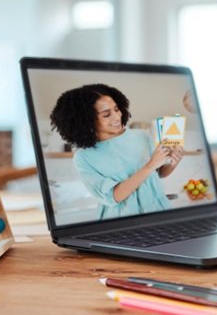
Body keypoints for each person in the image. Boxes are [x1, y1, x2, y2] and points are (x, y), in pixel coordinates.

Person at [49, 83, 182, 219]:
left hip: (159, 211)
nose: (117, 117)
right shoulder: (84, 157)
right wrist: (150, 165)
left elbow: (158, 174)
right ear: (86, 121)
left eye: (116, 109)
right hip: (122, 221)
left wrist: (172, 163)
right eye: (106, 115)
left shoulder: (141, 136)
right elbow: (113, 196)